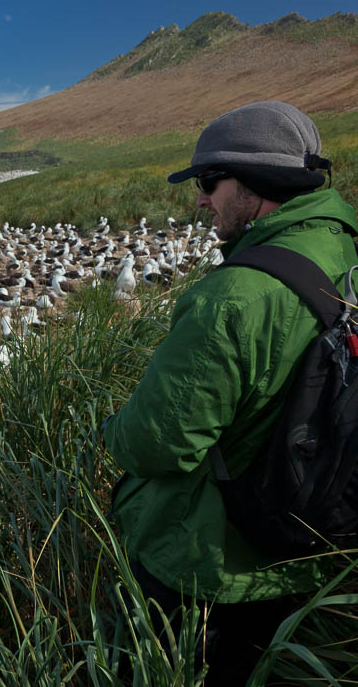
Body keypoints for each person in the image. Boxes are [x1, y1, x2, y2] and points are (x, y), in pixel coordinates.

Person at [102, 100, 358, 684]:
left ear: (260, 182)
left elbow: (158, 445)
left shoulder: (235, 296)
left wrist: (112, 428)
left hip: (212, 565)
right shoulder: (347, 255)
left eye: (210, 181)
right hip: (315, 542)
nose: (199, 198)